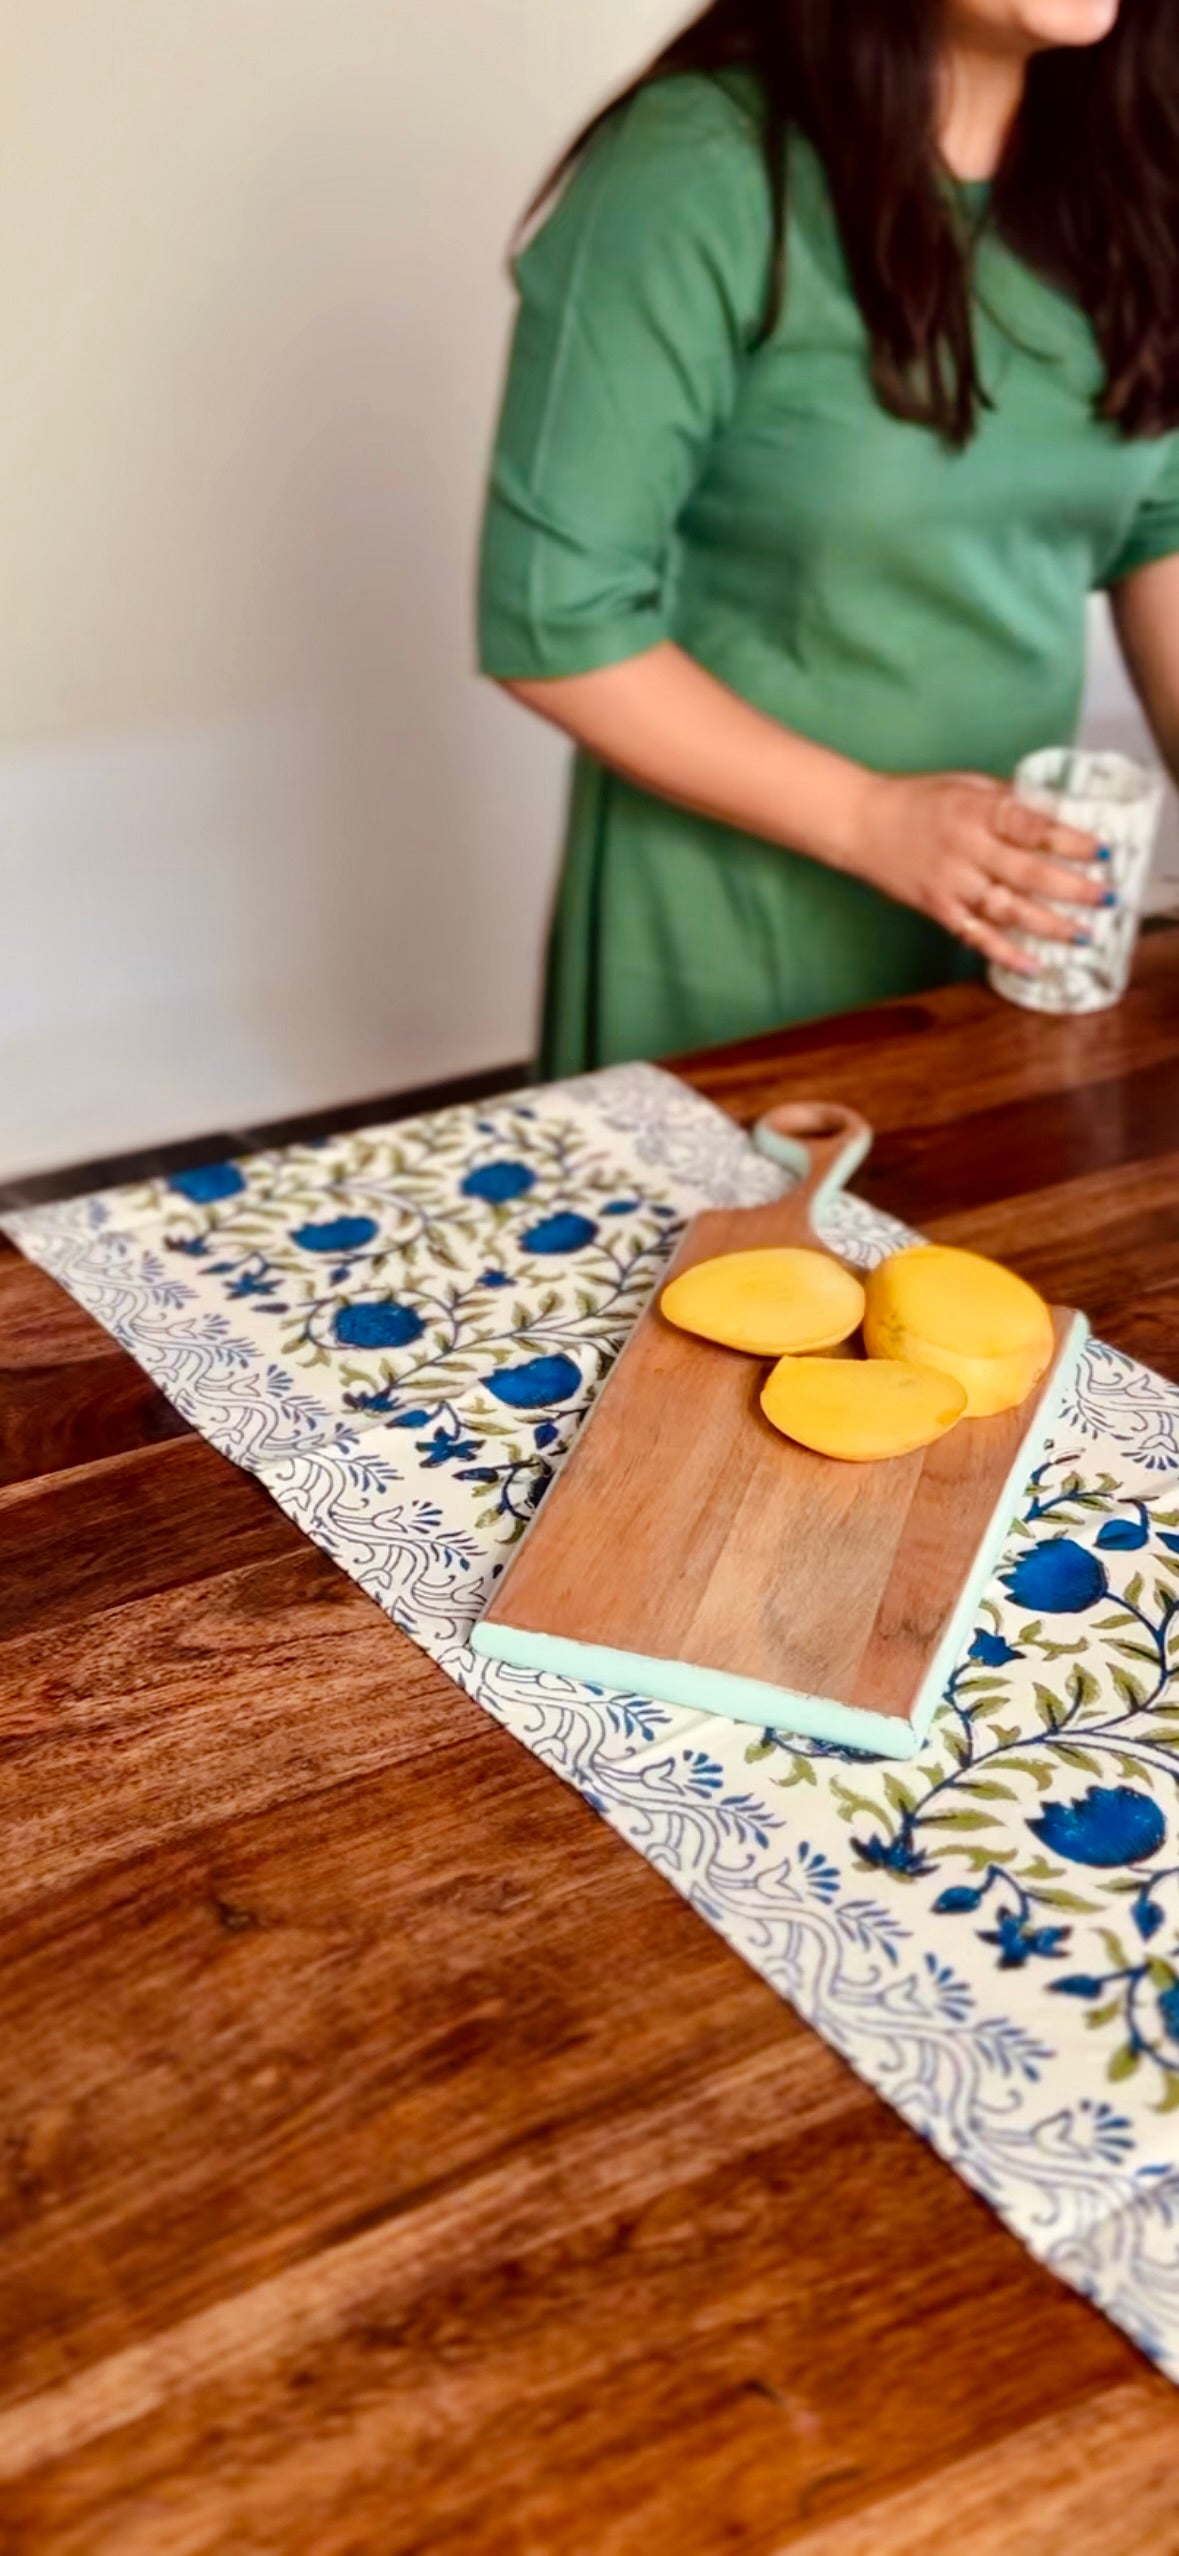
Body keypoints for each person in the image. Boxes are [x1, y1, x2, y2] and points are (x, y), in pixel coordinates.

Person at [477, 0, 1179, 1078]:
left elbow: (1159, 531)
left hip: (1013, 946)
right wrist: (873, 819)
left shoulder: (1132, 161)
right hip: (735, 953)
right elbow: (552, 618)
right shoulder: (697, 168)